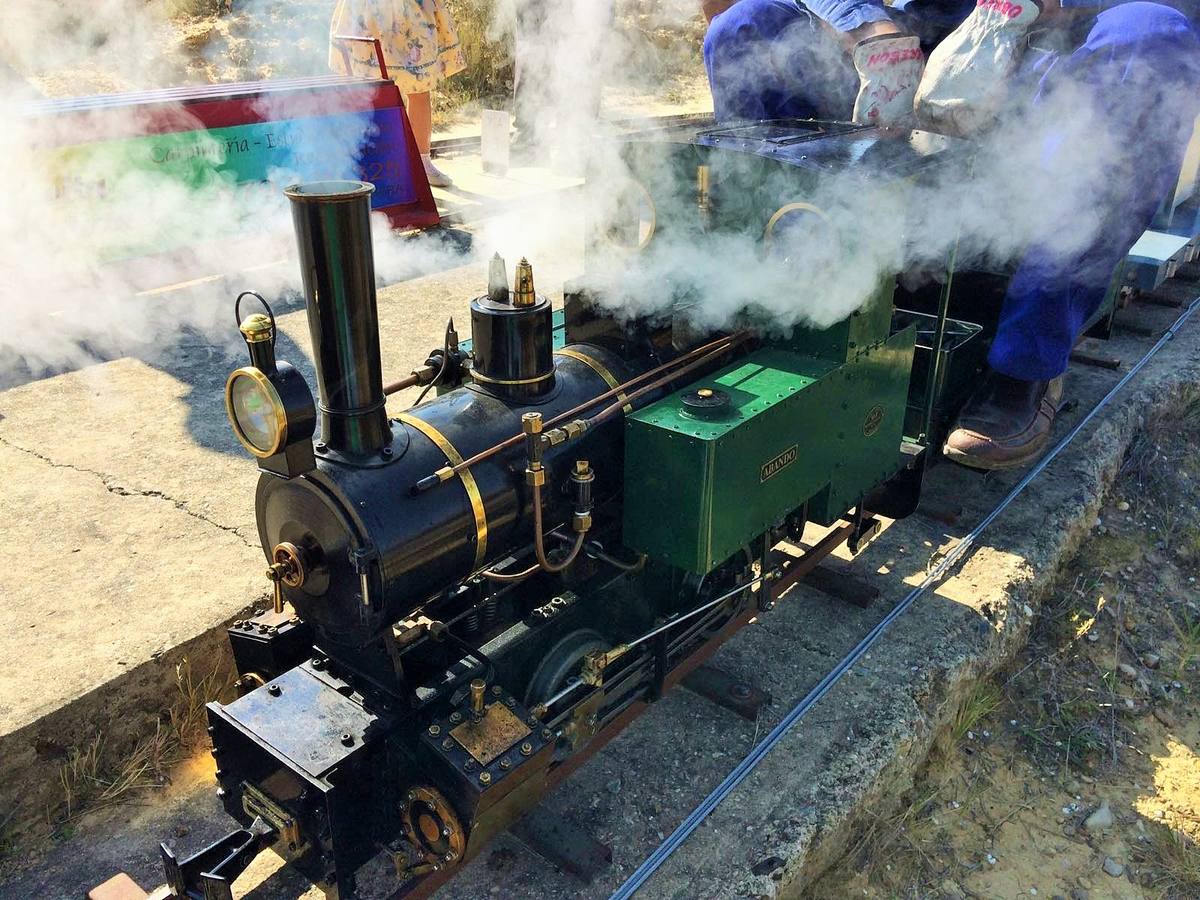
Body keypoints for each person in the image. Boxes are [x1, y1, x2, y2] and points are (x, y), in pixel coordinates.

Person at [701, 0, 1200, 469]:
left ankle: (1026, 362)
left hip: (1057, 56)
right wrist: (868, 27)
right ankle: (779, 298)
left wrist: (1051, 9)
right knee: (748, 27)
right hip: (921, 35)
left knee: (1151, 38)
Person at [330, 0, 467, 188]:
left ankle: (422, 162)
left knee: (419, 85)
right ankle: (374, 164)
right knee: (372, 86)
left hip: (412, 9)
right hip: (370, 7)